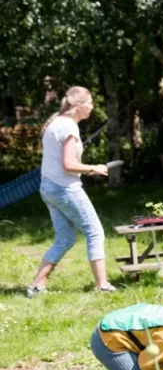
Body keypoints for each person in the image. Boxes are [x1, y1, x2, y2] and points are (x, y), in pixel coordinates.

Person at [27, 86, 115, 297]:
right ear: (79, 106)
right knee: (95, 232)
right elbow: (68, 164)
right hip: (64, 188)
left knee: (65, 239)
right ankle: (102, 285)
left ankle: (37, 284)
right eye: (90, 103)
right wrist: (93, 168)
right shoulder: (68, 127)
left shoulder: (55, 123)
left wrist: (85, 168)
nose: (93, 107)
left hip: (48, 187)